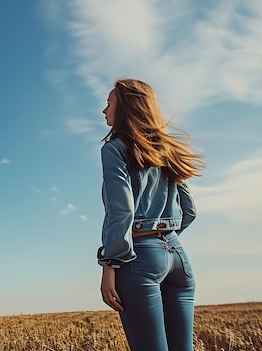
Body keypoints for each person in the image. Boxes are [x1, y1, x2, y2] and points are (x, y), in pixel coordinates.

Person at [97, 79, 203, 351]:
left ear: (126, 107)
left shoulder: (114, 149)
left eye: (109, 103)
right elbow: (189, 209)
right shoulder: (167, 150)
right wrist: (165, 237)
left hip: (139, 257)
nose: (104, 110)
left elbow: (121, 210)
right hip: (178, 257)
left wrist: (110, 263)